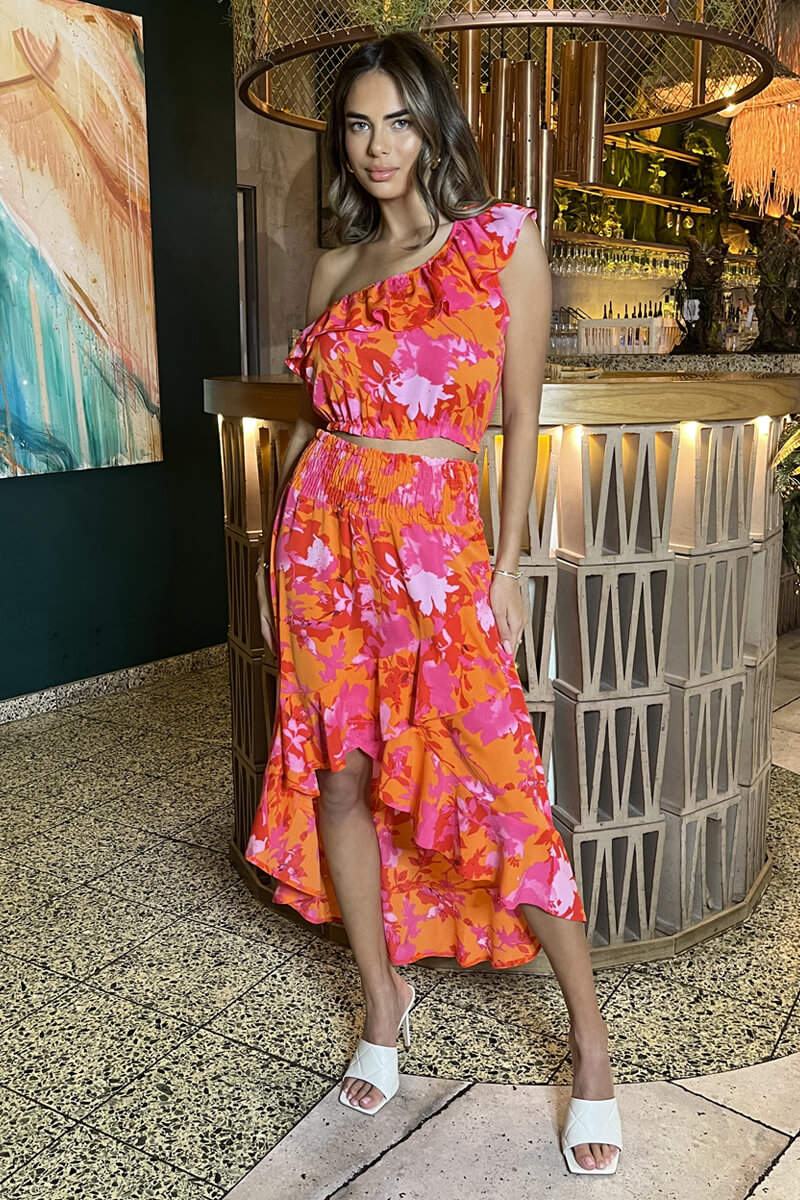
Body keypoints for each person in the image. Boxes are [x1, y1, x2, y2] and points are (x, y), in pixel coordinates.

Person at [246, 30, 622, 1175]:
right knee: (341, 774)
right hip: (325, 545)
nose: (374, 148)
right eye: (355, 125)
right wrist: (277, 564)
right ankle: (381, 1005)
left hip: (436, 556)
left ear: (432, 125)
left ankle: (591, 1052)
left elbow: (519, 419)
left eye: (395, 122)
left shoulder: (497, 243)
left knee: (500, 787)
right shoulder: (330, 269)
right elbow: (314, 425)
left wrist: (506, 564)